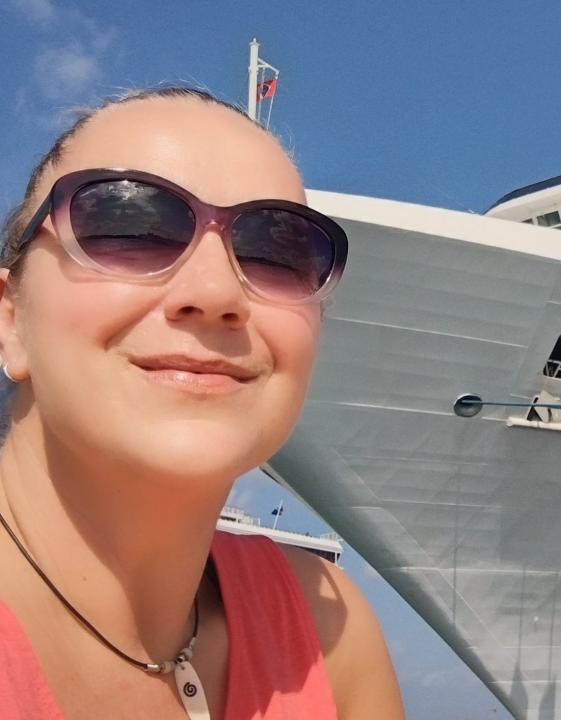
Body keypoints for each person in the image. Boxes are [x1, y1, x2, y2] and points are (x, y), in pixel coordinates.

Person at [0, 87, 404, 719]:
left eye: (278, 251)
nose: (217, 291)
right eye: (128, 225)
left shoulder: (330, 630)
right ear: (9, 320)